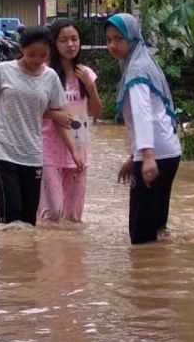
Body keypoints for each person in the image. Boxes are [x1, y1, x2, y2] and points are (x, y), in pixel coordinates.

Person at [0, 26, 83, 226]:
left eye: (43, 55)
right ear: (22, 49)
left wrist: (75, 151)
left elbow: (60, 118)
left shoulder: (51, 77)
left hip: (33, 155)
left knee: (28, 221)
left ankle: (24, 257)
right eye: (31, 54)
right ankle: (5, 256)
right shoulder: (4, 71)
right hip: (2, 151)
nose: (37, 60)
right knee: (9, 217)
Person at [105, 13, 182, 245]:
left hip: (155, 155)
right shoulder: (144, 62)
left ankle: (146, 279)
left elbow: (144, 114)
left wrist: (146, 157)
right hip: (168, 152)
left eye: (119, 39)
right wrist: (134, 156)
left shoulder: (136, 70)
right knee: (156, 230)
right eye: (108, 40)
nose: (113, 45)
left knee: (140, 237)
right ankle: (158, 276)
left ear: (132, 38)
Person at [39, 19, 102, 223]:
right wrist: (53, 114)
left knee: (74, 217)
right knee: (52, 213)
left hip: (79, 149)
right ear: (54, 44)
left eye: (74, 39)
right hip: (49, 150)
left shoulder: (86, 74)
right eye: (64, 40)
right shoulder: (45, 74)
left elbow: (96, 112)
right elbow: (34, 109)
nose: (70, 45)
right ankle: (43, 253)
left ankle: (72, 254)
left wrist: (90, 87)